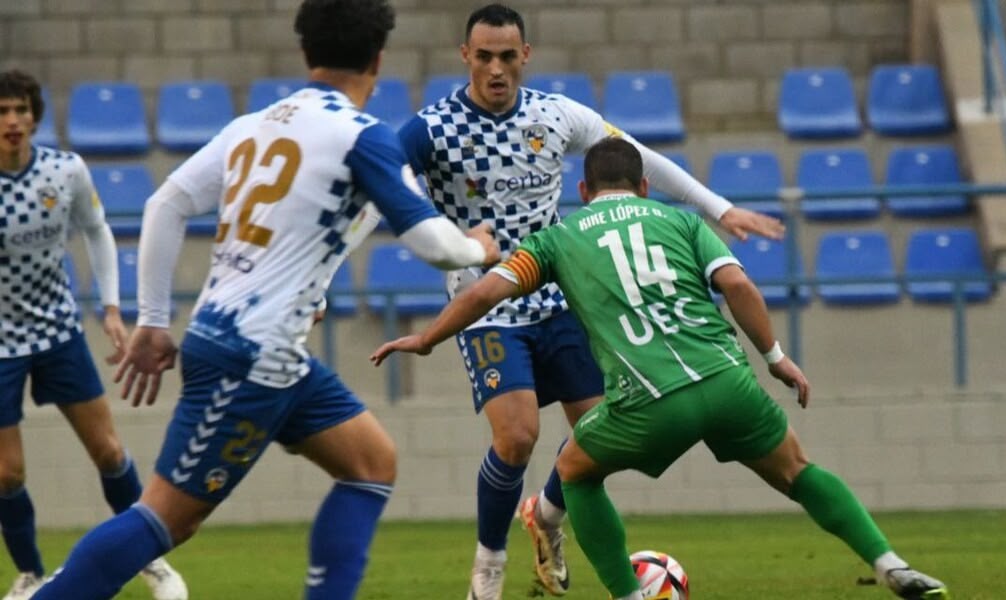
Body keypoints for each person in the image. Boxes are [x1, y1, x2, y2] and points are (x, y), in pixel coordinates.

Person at [29, 1, 499, 598]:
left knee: (371, 463)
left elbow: (163, 204)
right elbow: (436, 245)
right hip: (249, 356)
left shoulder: (255, 124)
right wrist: (478, 248)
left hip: (261, 349)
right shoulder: (362, 137)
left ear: (306, 53)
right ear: (378, 59)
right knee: (165, 518)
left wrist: (152, 319)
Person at [372, 138, 950, 600]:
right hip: (728, 381)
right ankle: (890, 563)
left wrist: (427, 338)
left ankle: (626, 593)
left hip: (648, 400)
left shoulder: (557, 238)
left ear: (582, 189)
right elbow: (738, 284)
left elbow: (485, 294)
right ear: (644, 186)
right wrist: (776, 358)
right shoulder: (680, 221)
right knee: (797, 470)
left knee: (574, 472)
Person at [396, 5, 785, 597]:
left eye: (507, 56)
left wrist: (718, 207)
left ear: (525, 55)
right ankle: (488, 568)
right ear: (465, 56)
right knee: (518, 436)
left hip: (560, 295)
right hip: (490, 302)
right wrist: (445, 245)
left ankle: (546, 516)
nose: (496, 69)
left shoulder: (555, 116)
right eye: (484, 57)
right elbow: (380, 186)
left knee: (598, 440)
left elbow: (638, 158)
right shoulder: (432, 129)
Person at [0, 70, 188, 600]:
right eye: (1, 111)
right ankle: (32, 574)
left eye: (20, 109)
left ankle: (152, 564)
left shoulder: (65, 171)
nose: (12, 121)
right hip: (1, 343)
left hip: (59, 332)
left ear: (34, 115)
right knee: (6, 474)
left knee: (108, 450)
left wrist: (110, 308)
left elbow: (97, 232)